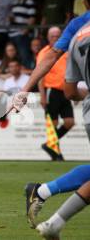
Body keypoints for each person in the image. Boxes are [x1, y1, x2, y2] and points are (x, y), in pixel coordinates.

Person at [26, 19, 90, 239]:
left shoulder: (75, 38)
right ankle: (51, 147)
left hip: (78, 99)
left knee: (68, 124)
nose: (55, 39)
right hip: (53, 91)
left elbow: (71, 90)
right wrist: (39, 93)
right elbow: (45, 71)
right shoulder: (50, 49)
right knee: (52, 126)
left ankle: (43, 193)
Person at [12, 0, 90, 111]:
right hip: (54, 91)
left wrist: (24, 90)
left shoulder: (76, 29)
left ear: (85, 3)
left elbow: (70, 92)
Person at [37, 27, 74, 161]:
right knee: (53, 123)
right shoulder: (44, 53)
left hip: (65, 90)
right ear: (48, 37)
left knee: (70, 122)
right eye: (53, 36)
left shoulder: (66, 51)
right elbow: (40, 75)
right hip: (52, 91)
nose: (56, 38)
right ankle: (56, 153)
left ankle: (49, 145)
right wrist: (42, 95)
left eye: (58, 35)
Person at [9, 0, 36, 69]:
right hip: (12, 34)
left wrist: (25, 31)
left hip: (22, 35)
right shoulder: (15, 3)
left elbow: (32, 18)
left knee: (25, 57)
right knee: (14, 57)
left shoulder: (29, 2)